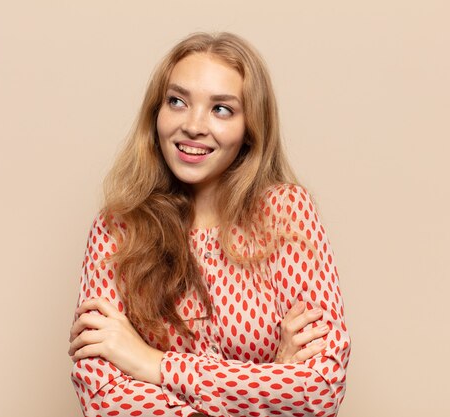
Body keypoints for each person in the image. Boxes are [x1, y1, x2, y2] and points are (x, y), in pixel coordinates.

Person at [68, 32, 350, 417]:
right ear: (156, 113)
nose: (194, 125)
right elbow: (102, 394)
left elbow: (319, 389)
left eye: (221, 109)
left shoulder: (285, 213)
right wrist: (271, 384)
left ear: (250, 128)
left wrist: (153, 363)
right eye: (177, 102)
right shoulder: (118, 228)